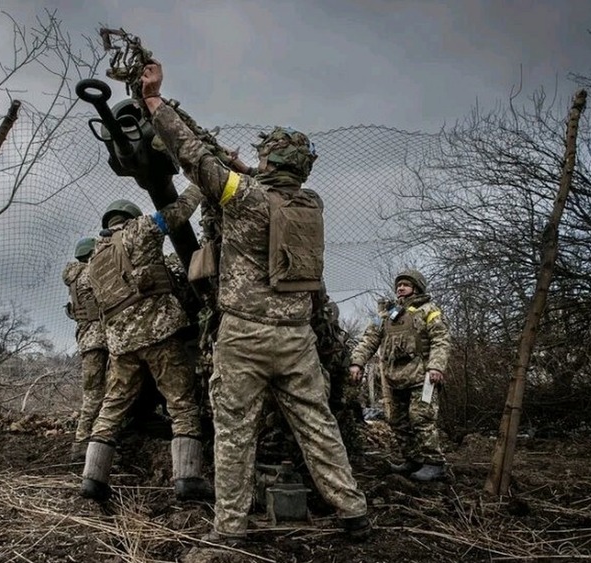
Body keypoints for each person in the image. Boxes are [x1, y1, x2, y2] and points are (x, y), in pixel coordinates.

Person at [140, 61, 371, 543]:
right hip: (296, 337)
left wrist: (155, 101)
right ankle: (354, 513)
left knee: (234, 433)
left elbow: (191, 157)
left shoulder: (243, 198)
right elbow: (265, 187)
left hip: (244, 336)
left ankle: (230, 530)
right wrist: (250, 168)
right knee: (318, 426)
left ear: (269, 164)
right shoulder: (311, 204)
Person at [80, 196, 213, 503]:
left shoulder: (94, 259)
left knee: (112, 407)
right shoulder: (140, 229)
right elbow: (177, 212)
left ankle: (92, 478)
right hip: (158, 334)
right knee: (181, 403)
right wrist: (200, 181)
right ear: (130, 217)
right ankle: (188, 478)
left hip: (120, 345)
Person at [349, 269, 452, 482]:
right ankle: (413, 460)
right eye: (398, 285)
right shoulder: (387, 315)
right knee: (397, 421)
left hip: (422, 378)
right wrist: (357, 362)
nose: (400, 288)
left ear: (416, 287)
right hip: (395, 379)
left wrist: (436, 367)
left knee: (420, 418)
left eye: (405, 284)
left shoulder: (428, 311)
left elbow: (441, 339)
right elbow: (369, 339)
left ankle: (435, 463)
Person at [63, 237, 109, 462]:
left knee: (93, 392)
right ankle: (83, 443)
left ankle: (83, 442)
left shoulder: (73, 278)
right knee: (97, 395)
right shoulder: (90, 274)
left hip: (86, 341)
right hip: (100, 340)